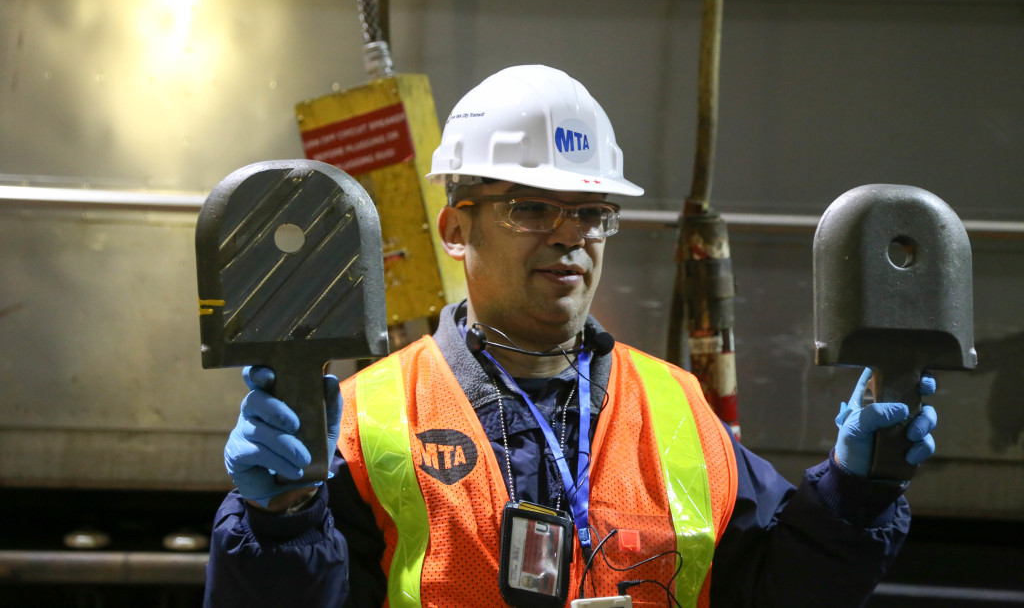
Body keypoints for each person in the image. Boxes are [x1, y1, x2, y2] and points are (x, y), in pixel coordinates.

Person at [204, 65, 938, 608]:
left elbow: (779, 589)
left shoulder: (677, 407)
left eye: (590, 211)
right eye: (531, 207)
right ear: (455, 229)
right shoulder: (370, 419)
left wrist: (855, 493)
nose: (570, 236)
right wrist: (278, 524)